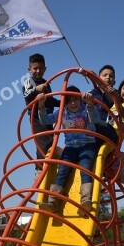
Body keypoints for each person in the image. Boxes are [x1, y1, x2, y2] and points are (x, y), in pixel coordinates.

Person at [35, 86, 102, 215]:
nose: (73, 103)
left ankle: (86, 200)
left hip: (87, 145)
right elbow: (44, 120)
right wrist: (41, 106)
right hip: (70, 147)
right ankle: (53, 202)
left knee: (85, 169)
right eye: (69, 100)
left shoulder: (86, 109)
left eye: (76, 99)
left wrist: (90, 104)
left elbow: (95, 119)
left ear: (80, 100)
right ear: (64, 102)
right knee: (62, 171)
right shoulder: (62, 112)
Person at [23, 53, 60, 168]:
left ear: (45, 69)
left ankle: (49, 165)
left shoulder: (46, 83)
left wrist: (63, 102)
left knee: (51, 141)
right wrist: (36, 90)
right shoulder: (29, 82)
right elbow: (27, 95)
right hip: (36, 117)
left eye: (40, 68)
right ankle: (40, 168)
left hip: (48, 117)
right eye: (35, 68)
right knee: (42, 141)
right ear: (29, 69)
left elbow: (50, 100)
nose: (38, 71)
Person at [87, 65, 119, 148]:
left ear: (114, 82)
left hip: (107, 127)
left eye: (111, 76)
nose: (108, 78)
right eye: (105, 75)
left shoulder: (115, 94)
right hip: (92, 126)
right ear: (99, 77)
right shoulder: (92, 93)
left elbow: (116, 102)